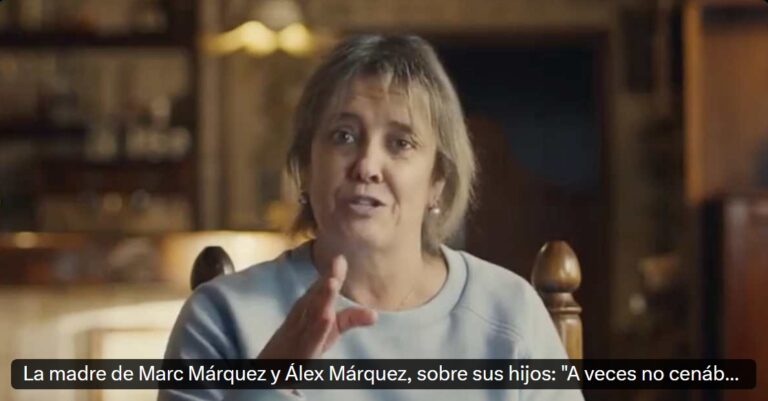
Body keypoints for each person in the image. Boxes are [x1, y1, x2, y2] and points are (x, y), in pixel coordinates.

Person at [159, 34, 583, 401]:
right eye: (344, 136)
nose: (367, 166)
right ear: (306, 167)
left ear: (438, 181)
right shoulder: (221, 316)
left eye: (400, 143)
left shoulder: (510, 312)